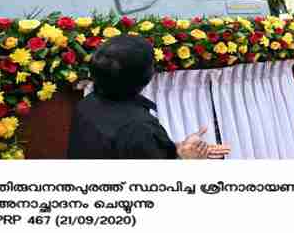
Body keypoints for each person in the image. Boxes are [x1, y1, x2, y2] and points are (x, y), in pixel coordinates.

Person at [68, 35, 230, 159]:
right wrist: (186, 159)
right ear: (146, 77)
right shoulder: (139, 127)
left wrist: (176, 149)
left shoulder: (87, 103)